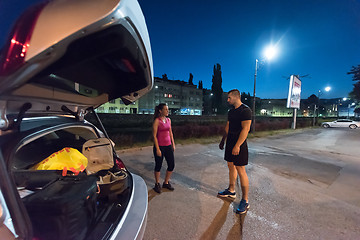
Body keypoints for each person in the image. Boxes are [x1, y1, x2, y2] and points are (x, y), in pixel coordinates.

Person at [218, 89, 252, 214]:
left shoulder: (245, 110)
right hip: (230, 142)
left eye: (229, 98)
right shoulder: (231, 111)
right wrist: (223, 140)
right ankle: (231, 190)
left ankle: (245, 200)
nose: (227, 100)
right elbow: (228, 126)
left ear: (236, 97)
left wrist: (237, 145)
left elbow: (245, 129)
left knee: (241, 170)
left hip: (239, 144)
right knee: (230, 166)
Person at [152, 103, 176, 193]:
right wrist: (157, 149)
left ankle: (166, 182)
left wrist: (173, 144)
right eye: (165, 109)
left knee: (171, 165)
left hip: (168, 145)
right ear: (160, 111)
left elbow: (170, 133)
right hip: (160, 146)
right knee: (158, 165)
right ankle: (157, 184)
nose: (167, 111)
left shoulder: (169, 120)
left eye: (167, 109)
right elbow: (154, 136)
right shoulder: (157, 121)